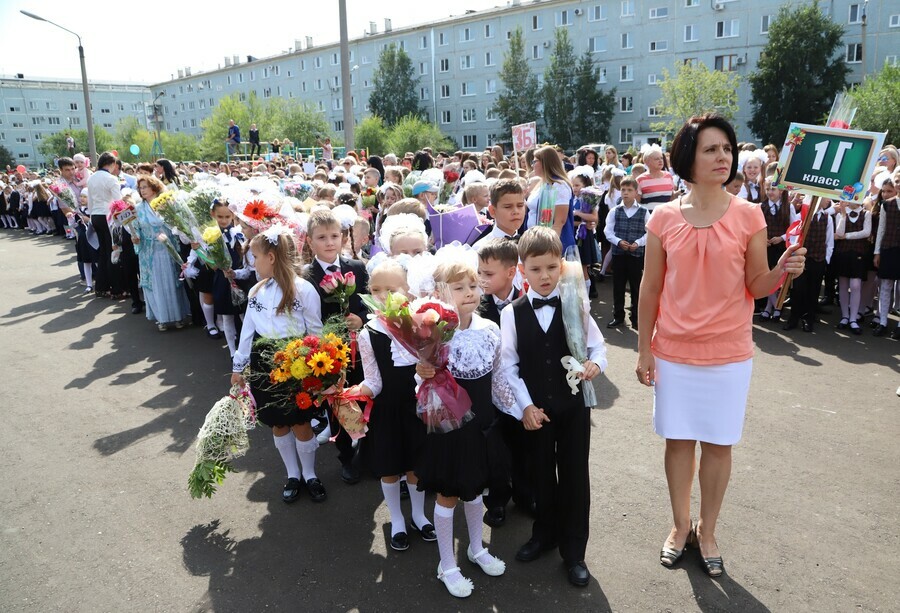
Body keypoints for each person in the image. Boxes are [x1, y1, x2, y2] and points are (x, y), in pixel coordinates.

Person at [635, 113, 806, 578]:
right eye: (711, 149)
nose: (722, 157)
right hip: (673, 352)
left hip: (729, 354)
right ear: (688, 157)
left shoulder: (749, 214)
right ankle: (678, 527)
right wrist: (644, 349)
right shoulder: (663, 217)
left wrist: (783, 269)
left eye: (726, 149)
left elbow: (757, 282)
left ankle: (707, 530)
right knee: (678, 443)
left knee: (718, 445)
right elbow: (650, 288)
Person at [500, 226, 607, 588]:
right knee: (540, 475)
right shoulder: (511, 314)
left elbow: (598, 347)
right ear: (521, 270)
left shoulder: (575, 303)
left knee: (576, 476)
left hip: (574, 407)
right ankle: (543, 534)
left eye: (550, 267)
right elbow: (509, 366)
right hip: (537, 413)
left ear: (561, 266)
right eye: (535, 269)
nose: (544, 276)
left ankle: (574, 551)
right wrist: (526, 407)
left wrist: (596, 365)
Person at [415, 253, 510, 598]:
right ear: (441, 293)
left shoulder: (490, 329)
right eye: (459, 287)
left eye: (473, 284)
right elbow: (423, 382)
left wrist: (516, 408)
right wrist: (423, 371)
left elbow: (498, 375)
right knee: (449, 491)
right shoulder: (435, 336)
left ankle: (476, 547)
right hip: (451, 427)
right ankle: (446, 564)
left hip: (483, 423)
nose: (469, 291)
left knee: (476, 488)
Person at [232, 227, 324, 503]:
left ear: (271, 257)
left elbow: (316, 331)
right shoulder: (256, 291)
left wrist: (321, 371)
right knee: (277, 423)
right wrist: (238, 367)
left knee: (301, 422)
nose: (253, 262)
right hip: (265, 362)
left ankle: (310, 473)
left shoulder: (304, 289)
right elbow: (247, 331)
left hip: (297, 360)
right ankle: (292, 473)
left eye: (255, 256)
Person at [345, 258, 431, 551]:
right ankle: (396, 518)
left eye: (390, 289)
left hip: (418, 407)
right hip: (387, 410)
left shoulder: (423, 323)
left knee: (416, 465)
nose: (382, 295)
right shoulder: (370, 333)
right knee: (390, 466)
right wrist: (351, 392)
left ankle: (419, 515)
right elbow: (374, 380)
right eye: (375, 289)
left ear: (407, 290)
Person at [303, 209, 369, 484]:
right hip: (327, 354)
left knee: (364, 399)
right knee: (337, 403)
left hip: (361, 351)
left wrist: (361, 319)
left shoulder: (357, 267)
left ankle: (367, 453)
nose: (330, 242)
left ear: (343, 237)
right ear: (309, 241)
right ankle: (346, 456)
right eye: (322, 237)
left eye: (334, 236)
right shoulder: (306, 276)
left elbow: (368, 302)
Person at [131, 174, 191, 330]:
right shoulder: (138, 209)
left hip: (169, 249)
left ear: (154, 187)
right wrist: (135, 238)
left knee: (172, 282)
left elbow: (178, 224)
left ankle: (178, 316)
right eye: (140, 188)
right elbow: (135, 229)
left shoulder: (167, 203)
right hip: (150, 251)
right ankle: (162, 318)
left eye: (145, 187)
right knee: (156, 284)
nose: (142, 190)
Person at [604, 176, 649, 330]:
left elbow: (649, 232)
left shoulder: (644, 211)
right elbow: (608, 231)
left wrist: (638, 243)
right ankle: (618, 316)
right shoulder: (614, 211)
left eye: (629, 190)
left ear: (636, 192)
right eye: (623, 190)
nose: (625, 193)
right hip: (619, 254)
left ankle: (636, 317)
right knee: (618, 286)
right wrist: (618, 241)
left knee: (636, 287)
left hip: (636, 256)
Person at [783, 200, 834, 333]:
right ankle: (793, 318)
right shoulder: (801, 216)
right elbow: (793, 236)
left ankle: (809, 319)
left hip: (818, 259)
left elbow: (829, 241)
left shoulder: (827, 218)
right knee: (798, 290)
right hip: (801, 258)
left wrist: (825, 260)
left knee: (813, 291)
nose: (826, 200)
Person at [87, 151, 124, 298]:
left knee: (103, 252)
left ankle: (101, 287)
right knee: (113, 251)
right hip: (108, 216)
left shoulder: (91, 178)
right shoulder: (111, 179)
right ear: (113, 164)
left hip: (95, 215)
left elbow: (90, 201)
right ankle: (116, 289)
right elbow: (118, 201)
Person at [833, 198, 872, 335]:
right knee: (843, 284)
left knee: (855, 285)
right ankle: (845, 316)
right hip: (843, 253)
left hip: (859, 253)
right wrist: (843, 214)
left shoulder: (866, 214)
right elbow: (839, 233)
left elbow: (866, 232)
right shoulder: (840, 214)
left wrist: (847, 236)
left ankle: (853, 318)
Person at [526, 146, 575, 253]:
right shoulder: (542, 183)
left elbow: (559, 221)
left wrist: (549, 247)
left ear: (545, 162)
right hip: (536, 239)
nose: (532, 165)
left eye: (535, 161)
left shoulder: (559, 185)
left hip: (550, 243)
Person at [873, 177, 900, 338]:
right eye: (897, 180)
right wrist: (877, 252)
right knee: (885, 286)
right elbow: (881, 230)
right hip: (888, 248)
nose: (898, 183)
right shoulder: (887, 205)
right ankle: (882, 322)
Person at [636, 145, 675, 211]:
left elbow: (672, 198)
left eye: (661, 158)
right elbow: (636, 203)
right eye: (656, 159)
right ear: (647, 161)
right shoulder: (640, 180)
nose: (660, 161)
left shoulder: (669, 176)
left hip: (667, 216)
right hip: (649, 217)